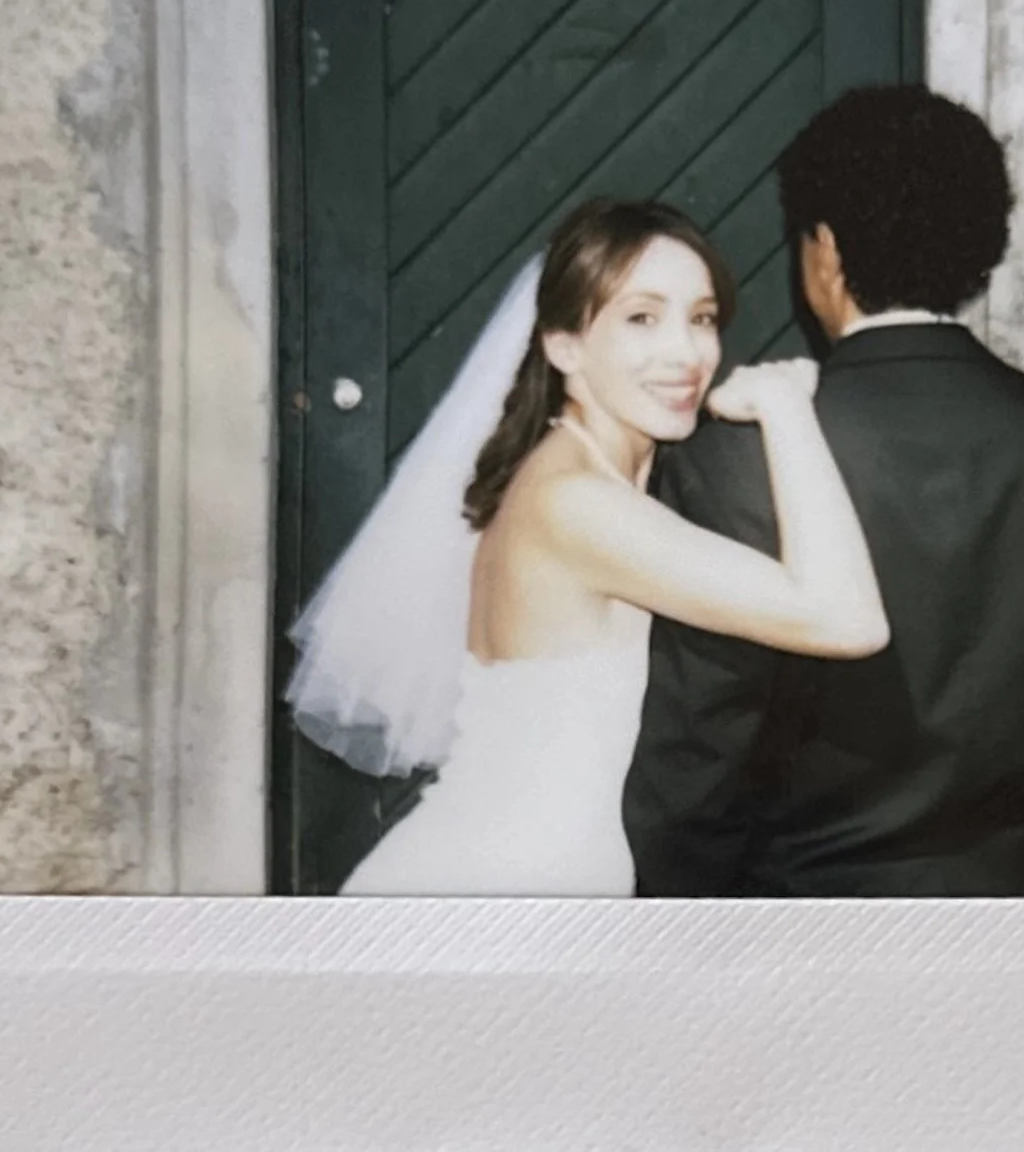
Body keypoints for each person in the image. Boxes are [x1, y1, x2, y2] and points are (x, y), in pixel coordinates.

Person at [623, 85, 1024, 897]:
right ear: (981, 248)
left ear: (823, 250)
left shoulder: (733, 460)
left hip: (801, 955)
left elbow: (697, 759)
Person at [283, 197, 889, 896]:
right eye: (641, 318)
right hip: (509, 893)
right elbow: (847, 619)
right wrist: (787, 408)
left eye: (701, 319)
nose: (686, 352)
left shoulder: (583, 480)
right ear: (563, 344)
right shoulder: (575, 505)